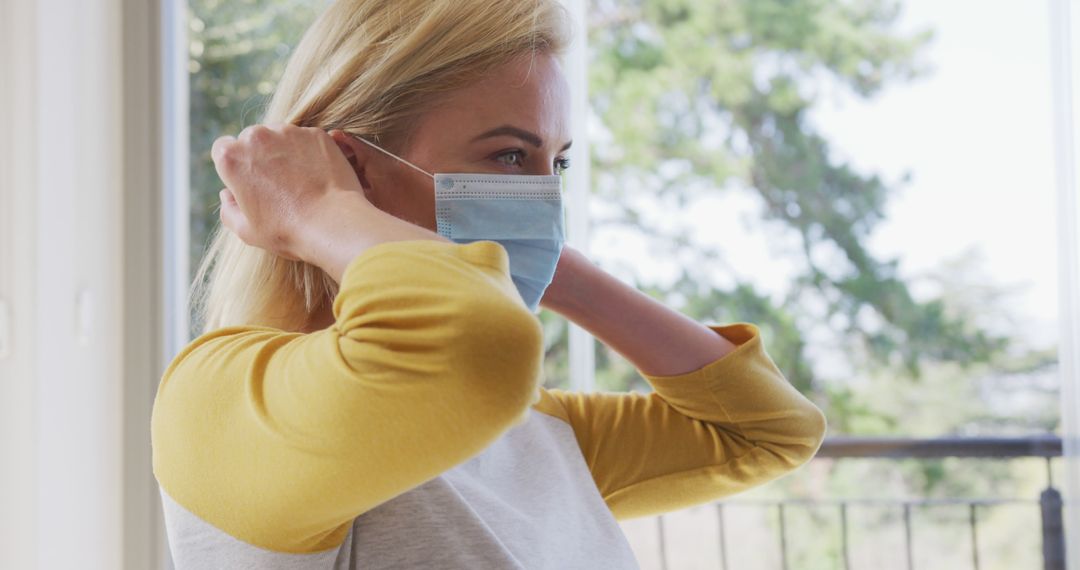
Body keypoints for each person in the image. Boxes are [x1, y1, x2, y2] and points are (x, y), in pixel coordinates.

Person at [150, 0, 827, 568]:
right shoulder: (221, 398)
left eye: (554, 164)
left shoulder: (531, 432)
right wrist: (316, 210)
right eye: (507, 156)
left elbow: (766, 431)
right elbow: (468, 350)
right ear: (348, 166)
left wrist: (552, 259)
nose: (543, 195)